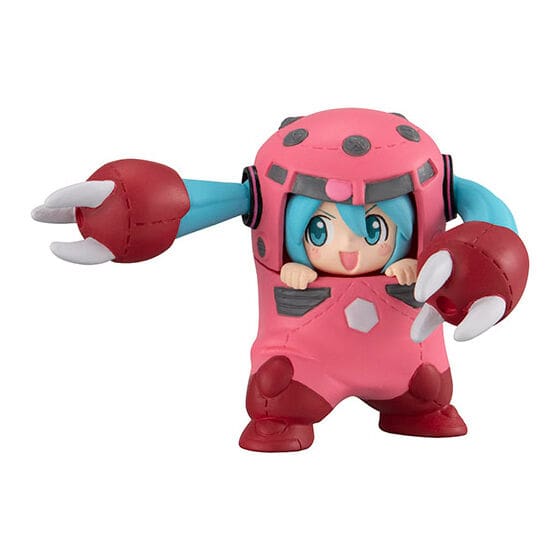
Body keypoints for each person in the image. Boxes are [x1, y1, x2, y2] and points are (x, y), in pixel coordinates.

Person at [32, 108, 529, 452]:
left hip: (411, 364)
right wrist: (123, 214)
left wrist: (484, 268)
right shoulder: (267, 197)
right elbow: (178, 204)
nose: (350, 249)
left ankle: (415, 410)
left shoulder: (436, 199)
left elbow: (493, 233)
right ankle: (284, 414)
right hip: (303, 361)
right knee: (278, 395)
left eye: (375, 228)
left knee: (424, 394)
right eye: (319, 230)